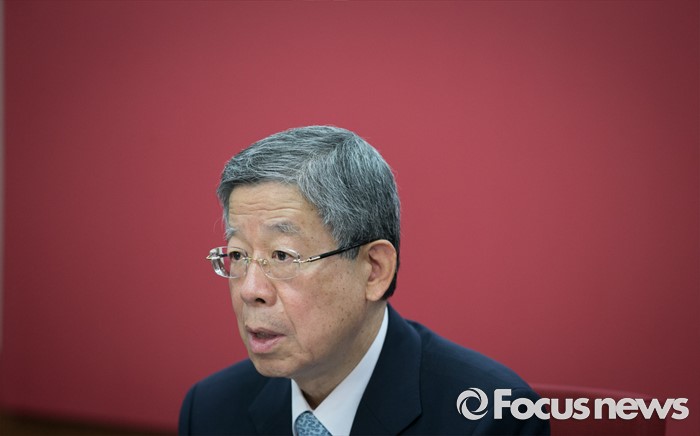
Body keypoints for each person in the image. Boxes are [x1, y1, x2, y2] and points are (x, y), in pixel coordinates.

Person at [179, 126, 549, 435]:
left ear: (374, 270)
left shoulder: (489, 417)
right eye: (239, 255)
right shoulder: (210, 410)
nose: (250, 290)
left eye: (282, 256)